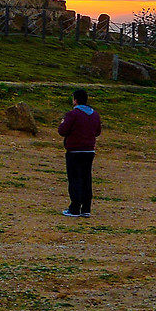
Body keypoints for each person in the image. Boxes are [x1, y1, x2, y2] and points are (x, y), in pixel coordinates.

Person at [57, 89, 100, 218]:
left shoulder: (73, 114)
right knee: (86, 179)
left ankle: (74, 208)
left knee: (74, 179)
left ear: (75, 100)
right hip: (89, 151)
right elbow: (98, 132)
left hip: (74, 151)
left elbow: (62, 130)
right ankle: (86, 208)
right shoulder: (95, 114)